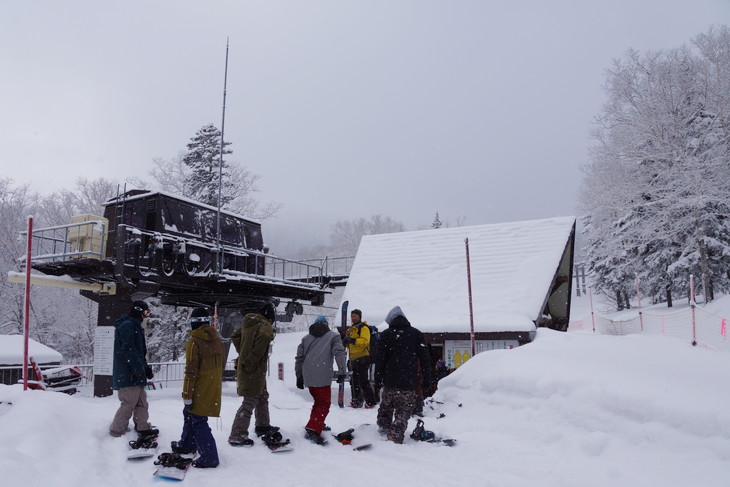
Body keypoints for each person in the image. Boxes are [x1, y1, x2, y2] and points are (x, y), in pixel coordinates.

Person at [171, 307, 224, 468]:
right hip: (213, 385)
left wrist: (187, 394)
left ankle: (209, 457)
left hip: (199, 387)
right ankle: (187, 444)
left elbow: (191, 371)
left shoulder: (194, 342)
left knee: (199, 420)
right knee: (189, 414)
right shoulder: (217, 340)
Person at [374, 306, 431, 444]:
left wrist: (378, 378)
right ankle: (396, 431)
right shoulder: (416, 334)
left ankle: (383, 426)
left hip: (390, 380)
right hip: (408, 380)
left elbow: (380, 359)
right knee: (403, 409)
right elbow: (425, 358)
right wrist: (428, 378)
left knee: (386, 406)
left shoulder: (386, 334)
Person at [228, 304, 279, 447]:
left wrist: (243, 352)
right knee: (249, 402)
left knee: (262, 396)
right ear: (270, 317)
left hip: (251, 368)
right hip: (253, 369)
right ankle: (237, 435)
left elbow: (235, 335)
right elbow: (264, 337)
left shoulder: (249, 323)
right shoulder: (265, 325)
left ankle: (263, 425)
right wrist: (251, 359)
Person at [295, 315, 347, 445]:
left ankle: (316, 423)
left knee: (318, 402)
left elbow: (299, 358)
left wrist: (299, 376)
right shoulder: (333, 336)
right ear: (326, 324)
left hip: (308, 375)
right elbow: (339, 353)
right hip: (322, 375)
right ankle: (313, 430)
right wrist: (342, 371)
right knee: (324, 404)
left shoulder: (306, 338)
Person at [109, 300, 158, 439]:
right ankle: (117, 431)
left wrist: (145, 368)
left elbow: (139, 352)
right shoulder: (127, 325)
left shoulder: (136, 326)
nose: (146, 316)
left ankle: (142, 427)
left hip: (136, 373)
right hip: (128, 373)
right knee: (129, 403)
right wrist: (137, 368)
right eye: (146, 312)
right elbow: (128, 350)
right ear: (138, 311)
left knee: (142, 402)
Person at [344, 309, 377, 408]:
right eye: (352, 316)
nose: (353, 318)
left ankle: (371, 402)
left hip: (363, 357)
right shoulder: (350, 329)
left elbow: (365, 341)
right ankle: (356, 401)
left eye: (355, 316)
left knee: (363, 381)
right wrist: (345, 342)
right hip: (353, 358)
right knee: (354, 381)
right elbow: (349, 344)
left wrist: (352, 340)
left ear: (359, 317)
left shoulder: (364, 328)